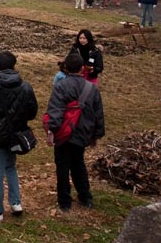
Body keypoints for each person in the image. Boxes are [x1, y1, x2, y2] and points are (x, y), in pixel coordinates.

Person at [0, 51, 38, 221]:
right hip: (16, 133)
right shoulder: (26, 87)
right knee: (11, 167)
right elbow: (32, 112)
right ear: (14, 65)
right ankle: (15, 202)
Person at [45, 52, 105, 212]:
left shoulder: (60, 86)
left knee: (63, 166)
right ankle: (85, 197)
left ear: (65, 67)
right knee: (78, 163)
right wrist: (96, 134)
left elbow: (55, 110)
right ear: (82, 68)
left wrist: (52, 131)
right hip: (83, 132)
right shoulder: (91, 88)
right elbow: (98, 112)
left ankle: (64, 201)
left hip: (64, 133)